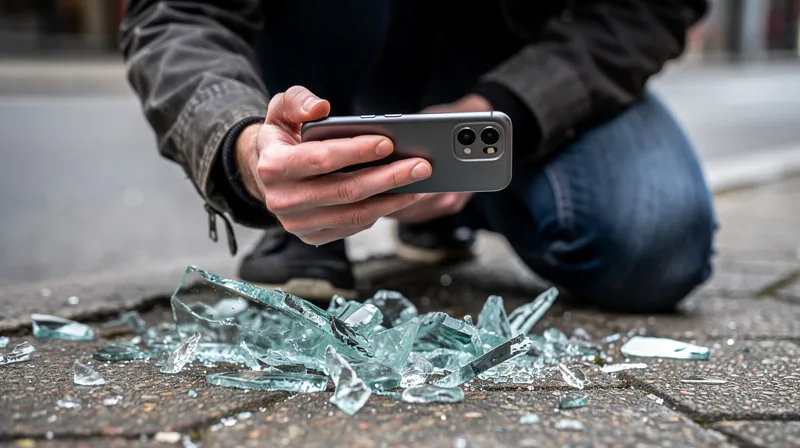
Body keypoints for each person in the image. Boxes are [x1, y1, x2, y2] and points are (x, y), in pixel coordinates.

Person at [120, 0, 716, 313]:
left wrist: (500, 108)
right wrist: (246, 149)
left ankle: (461, 197)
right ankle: (304, 218)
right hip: (332, 72)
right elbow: (178, 13)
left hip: (524, 70)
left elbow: (647, 9)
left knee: (655, 242)